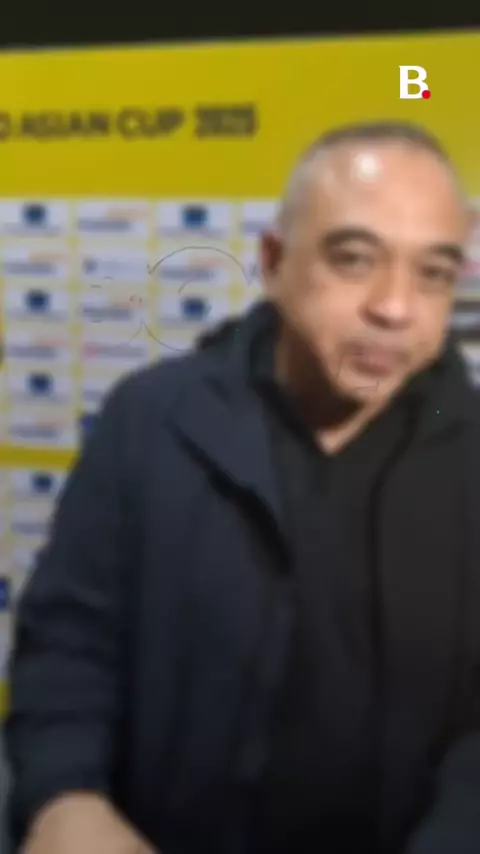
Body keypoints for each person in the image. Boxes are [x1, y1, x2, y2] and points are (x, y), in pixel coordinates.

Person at [5, 120, 480, 854]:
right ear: (273, 262)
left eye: (433, 274)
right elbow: (69, 644)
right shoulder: (150, 421)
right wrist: (65, 800)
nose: (395, 307)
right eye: (355, 260)